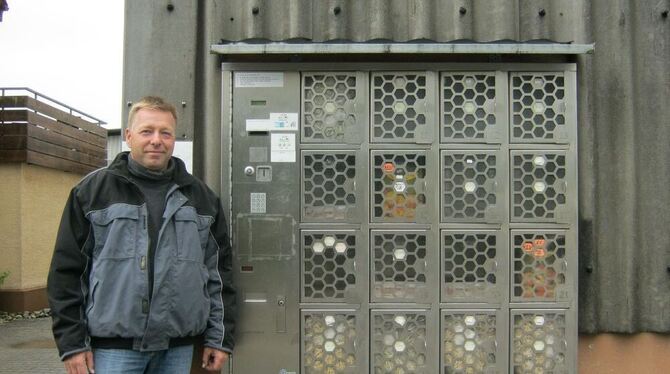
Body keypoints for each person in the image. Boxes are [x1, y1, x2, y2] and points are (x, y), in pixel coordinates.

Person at [47, 96, 236, 374]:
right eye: (147, 131)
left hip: (178, 349)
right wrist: (73, 344)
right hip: (113, 351)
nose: (156, 140)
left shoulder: (202, 198)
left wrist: (219, 339)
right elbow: (67, 274)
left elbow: (219, 276)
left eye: (165, 132)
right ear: (128, 135)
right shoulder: (91, 193)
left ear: (174, 138)